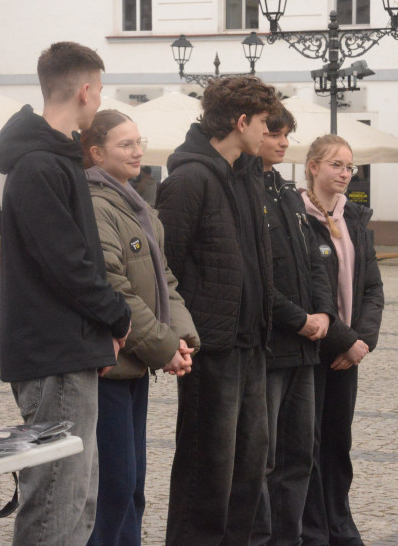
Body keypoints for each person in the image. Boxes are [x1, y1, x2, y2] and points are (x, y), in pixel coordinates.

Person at [0, 42, 132, 546]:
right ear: (85, 90)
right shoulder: (39, 166)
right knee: (55, 501)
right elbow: (68, 264)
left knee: (77, 500)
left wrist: (101, 332)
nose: (100, 100)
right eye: (100, 90)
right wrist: (117, 317)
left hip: (70, 349)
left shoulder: (57, 159)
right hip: (53, 354)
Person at [156, 75, 281, 545]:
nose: (269, 133)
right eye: (264, 122)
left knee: (249, 470)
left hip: (251, 345)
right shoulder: (188, 180)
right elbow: (164, 268)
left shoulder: (245, 177)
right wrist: (180, 335)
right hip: (211, 349)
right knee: (206, 472)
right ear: (241, 122)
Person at [81, 110, 200, 546]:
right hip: (109, 366)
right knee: (113, 487)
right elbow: (117, 289)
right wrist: (164, 347)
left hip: (136, 365)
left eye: (138, 142)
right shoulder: (96, 206)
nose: (137, 151)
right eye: (125, 144)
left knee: (132, 486)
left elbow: (165, 279)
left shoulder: (137, 206)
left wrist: (181, 338)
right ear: (97, 153)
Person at [251, 108, 336, 546]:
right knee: (263, 460)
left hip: (304, 350)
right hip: (270, 348)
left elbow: (314, 261)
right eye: (274, 134)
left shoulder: (285, 192)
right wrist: (298, 319)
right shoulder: (246, 191)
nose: (283, 142)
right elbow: (254, 277)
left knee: (299, 457)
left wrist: (324, 313)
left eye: (287, 135)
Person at [300, 134, 384, 546]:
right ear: (313, 166)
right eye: (336, 164)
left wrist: (361, 342)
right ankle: (314, 529)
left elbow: (373, 288)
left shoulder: (354, 219)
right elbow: (309, 293)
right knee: (308, 445)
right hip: (312, 350)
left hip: (348, 353)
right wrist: (344, 340)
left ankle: (339, 523)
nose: (345, 173)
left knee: (338, 443)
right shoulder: (297, 218)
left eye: (350, 167)